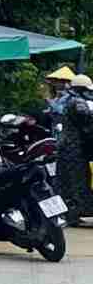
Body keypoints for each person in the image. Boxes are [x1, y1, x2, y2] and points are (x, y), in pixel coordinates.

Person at [54, 74, 93, 225]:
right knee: (77, 180)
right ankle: (73, 213)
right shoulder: (77, 102)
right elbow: (87, 119)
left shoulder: (69, 100)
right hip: (74, 149)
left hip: (68, 147)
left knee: (66, 181)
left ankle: (70, 214)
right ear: (81, 89)